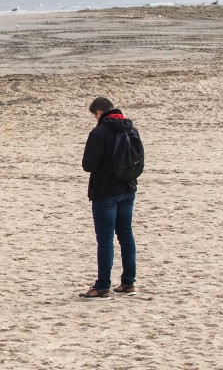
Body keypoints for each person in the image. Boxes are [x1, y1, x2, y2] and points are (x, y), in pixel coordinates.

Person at [79, 96, 138, 300]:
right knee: (126, 235)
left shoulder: (99, 132)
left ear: (98, 113)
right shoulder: (130, 129)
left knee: (105, 239)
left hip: (105, 192)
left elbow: (88, 164)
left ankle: (103, 285)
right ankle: (128, 282)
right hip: (128, 188)